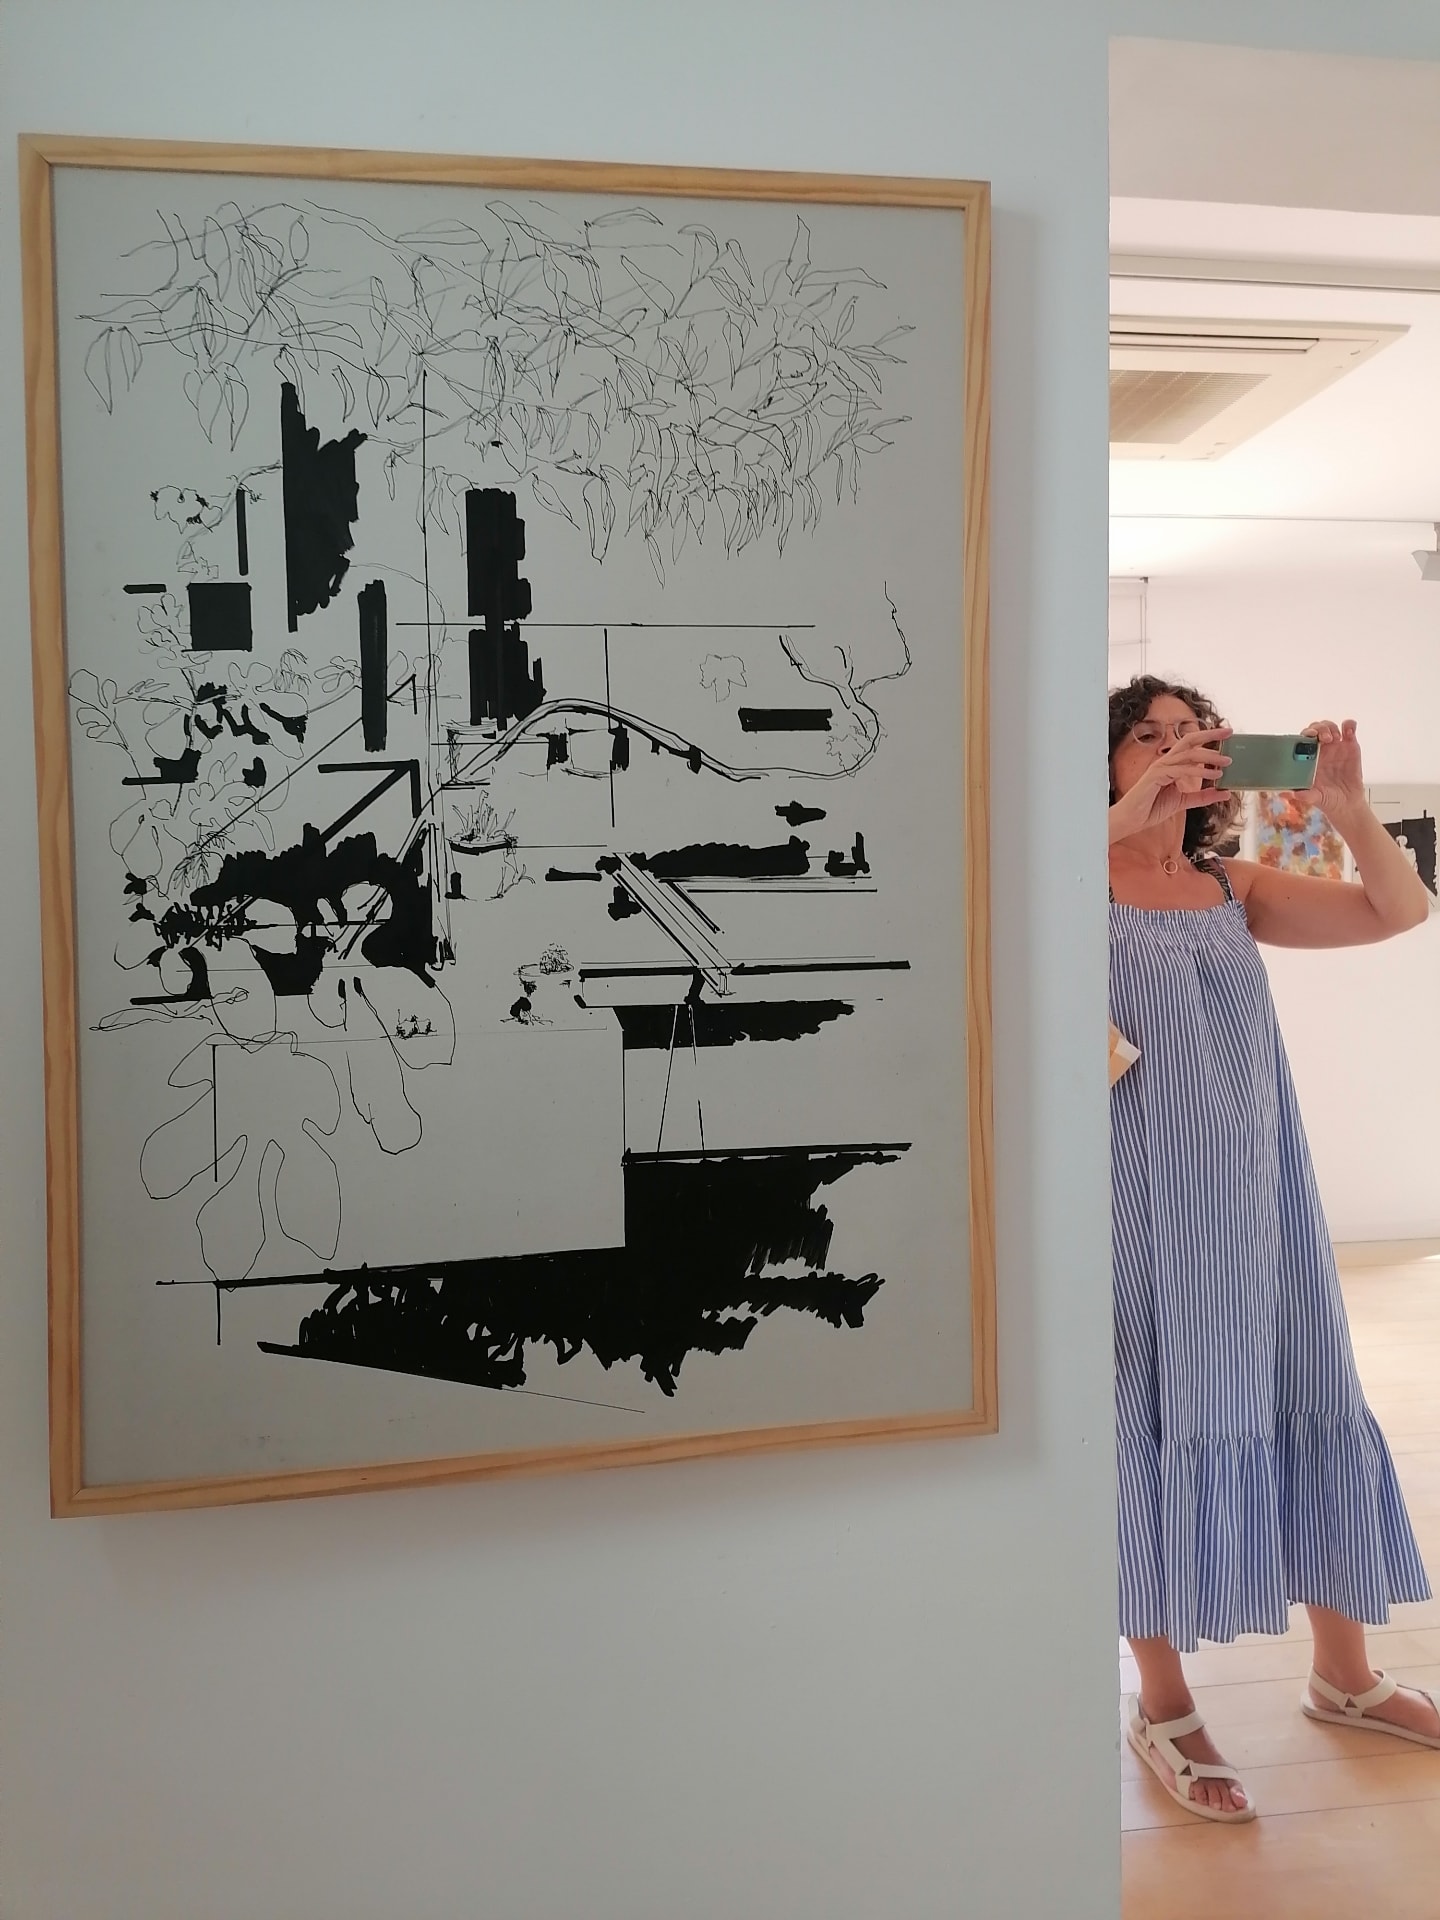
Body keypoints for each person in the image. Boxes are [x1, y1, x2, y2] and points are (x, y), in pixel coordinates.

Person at [1108, 675, 1439, 1823]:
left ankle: (1344, 1676)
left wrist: (1346, 807)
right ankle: (1162, 1703)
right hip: (1132, 1201)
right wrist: (1123, 817)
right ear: (1106, 762)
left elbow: (1400, 910)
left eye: (1193, 737)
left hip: (1261, 1194)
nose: (1175, 752)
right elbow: (1003, 906)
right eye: (1146, 737)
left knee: (1310, 1390)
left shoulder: (1228, 886)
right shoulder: (1065, 881)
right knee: (1148, 1415)